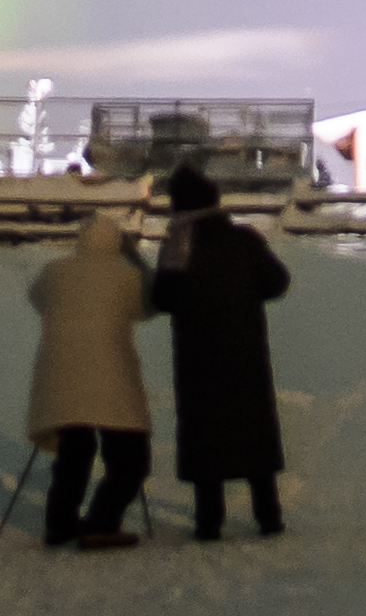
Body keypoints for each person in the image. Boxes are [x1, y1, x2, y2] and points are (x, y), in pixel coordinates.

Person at [145, 164, 292, 539]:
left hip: (198, 358)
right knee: (252, 433)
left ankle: (209, 521)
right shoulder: (244, 240)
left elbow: (162, 300)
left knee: (204, 434)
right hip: (245, 353)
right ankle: (268, 517)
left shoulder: (178, 247)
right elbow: (277, 283)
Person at [23, 208, 155, 549]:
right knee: (129, 459)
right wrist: (136, 259)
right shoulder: (126, 278)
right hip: (114, 376)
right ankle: (101, 522)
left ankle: (60, 523)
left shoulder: (54, 272)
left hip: (61, 376)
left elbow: (37, 298)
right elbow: (151, 306)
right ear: (116, 245)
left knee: (75, 453)